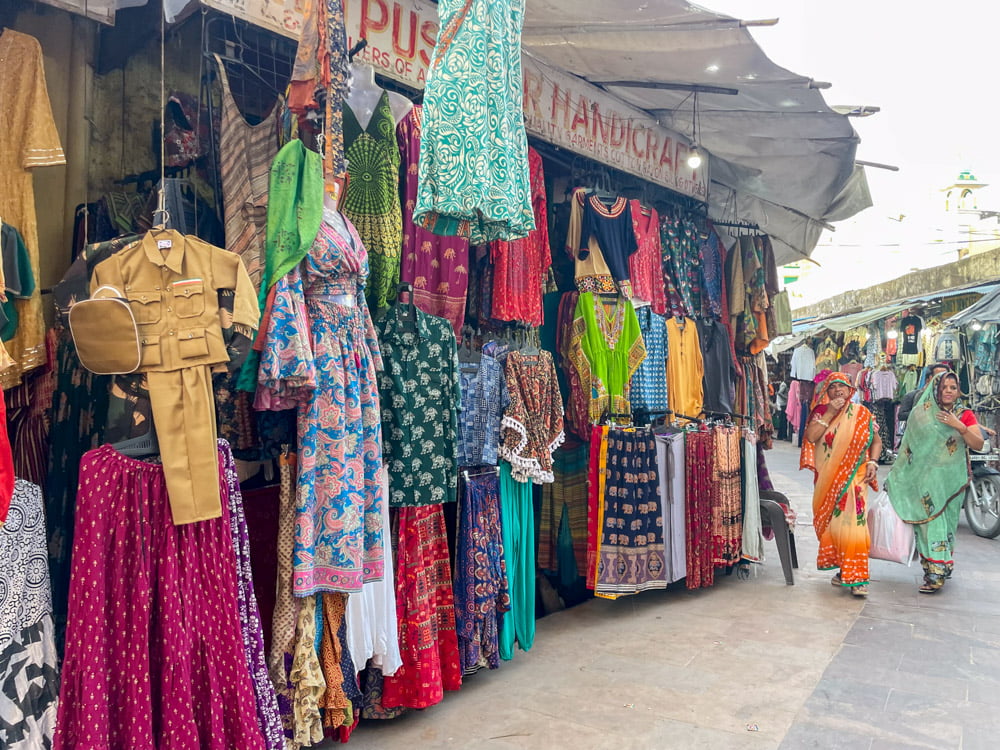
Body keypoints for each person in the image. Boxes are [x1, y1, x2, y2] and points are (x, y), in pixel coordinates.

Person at [886, 371, 984, 593]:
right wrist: (897, 474)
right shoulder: (921, 413)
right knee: (929, 524)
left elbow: (978, 444)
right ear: (935, 389)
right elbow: (909, 447)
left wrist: (959, 426)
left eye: (953, 388)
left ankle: (941, 564)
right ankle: (934, 570)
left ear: (958, 391)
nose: (948, 392)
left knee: (946, 524)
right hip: (924, 479)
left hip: (952, 480)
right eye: (944, 387)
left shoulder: (965, 414)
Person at [800, 372, 882, 597]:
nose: (838, 391)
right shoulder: (820, 413)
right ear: (827, 392)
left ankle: (858, 578)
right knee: (834, 528)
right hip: (828, 483)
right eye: (833, 387)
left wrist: (873, 461)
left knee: (854, 526)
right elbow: (811, 437)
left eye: (842, 387)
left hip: (856, 479)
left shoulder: (862, 414)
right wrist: (829, 412)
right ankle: (845, 569)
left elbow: (875, 441)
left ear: (850, 391)